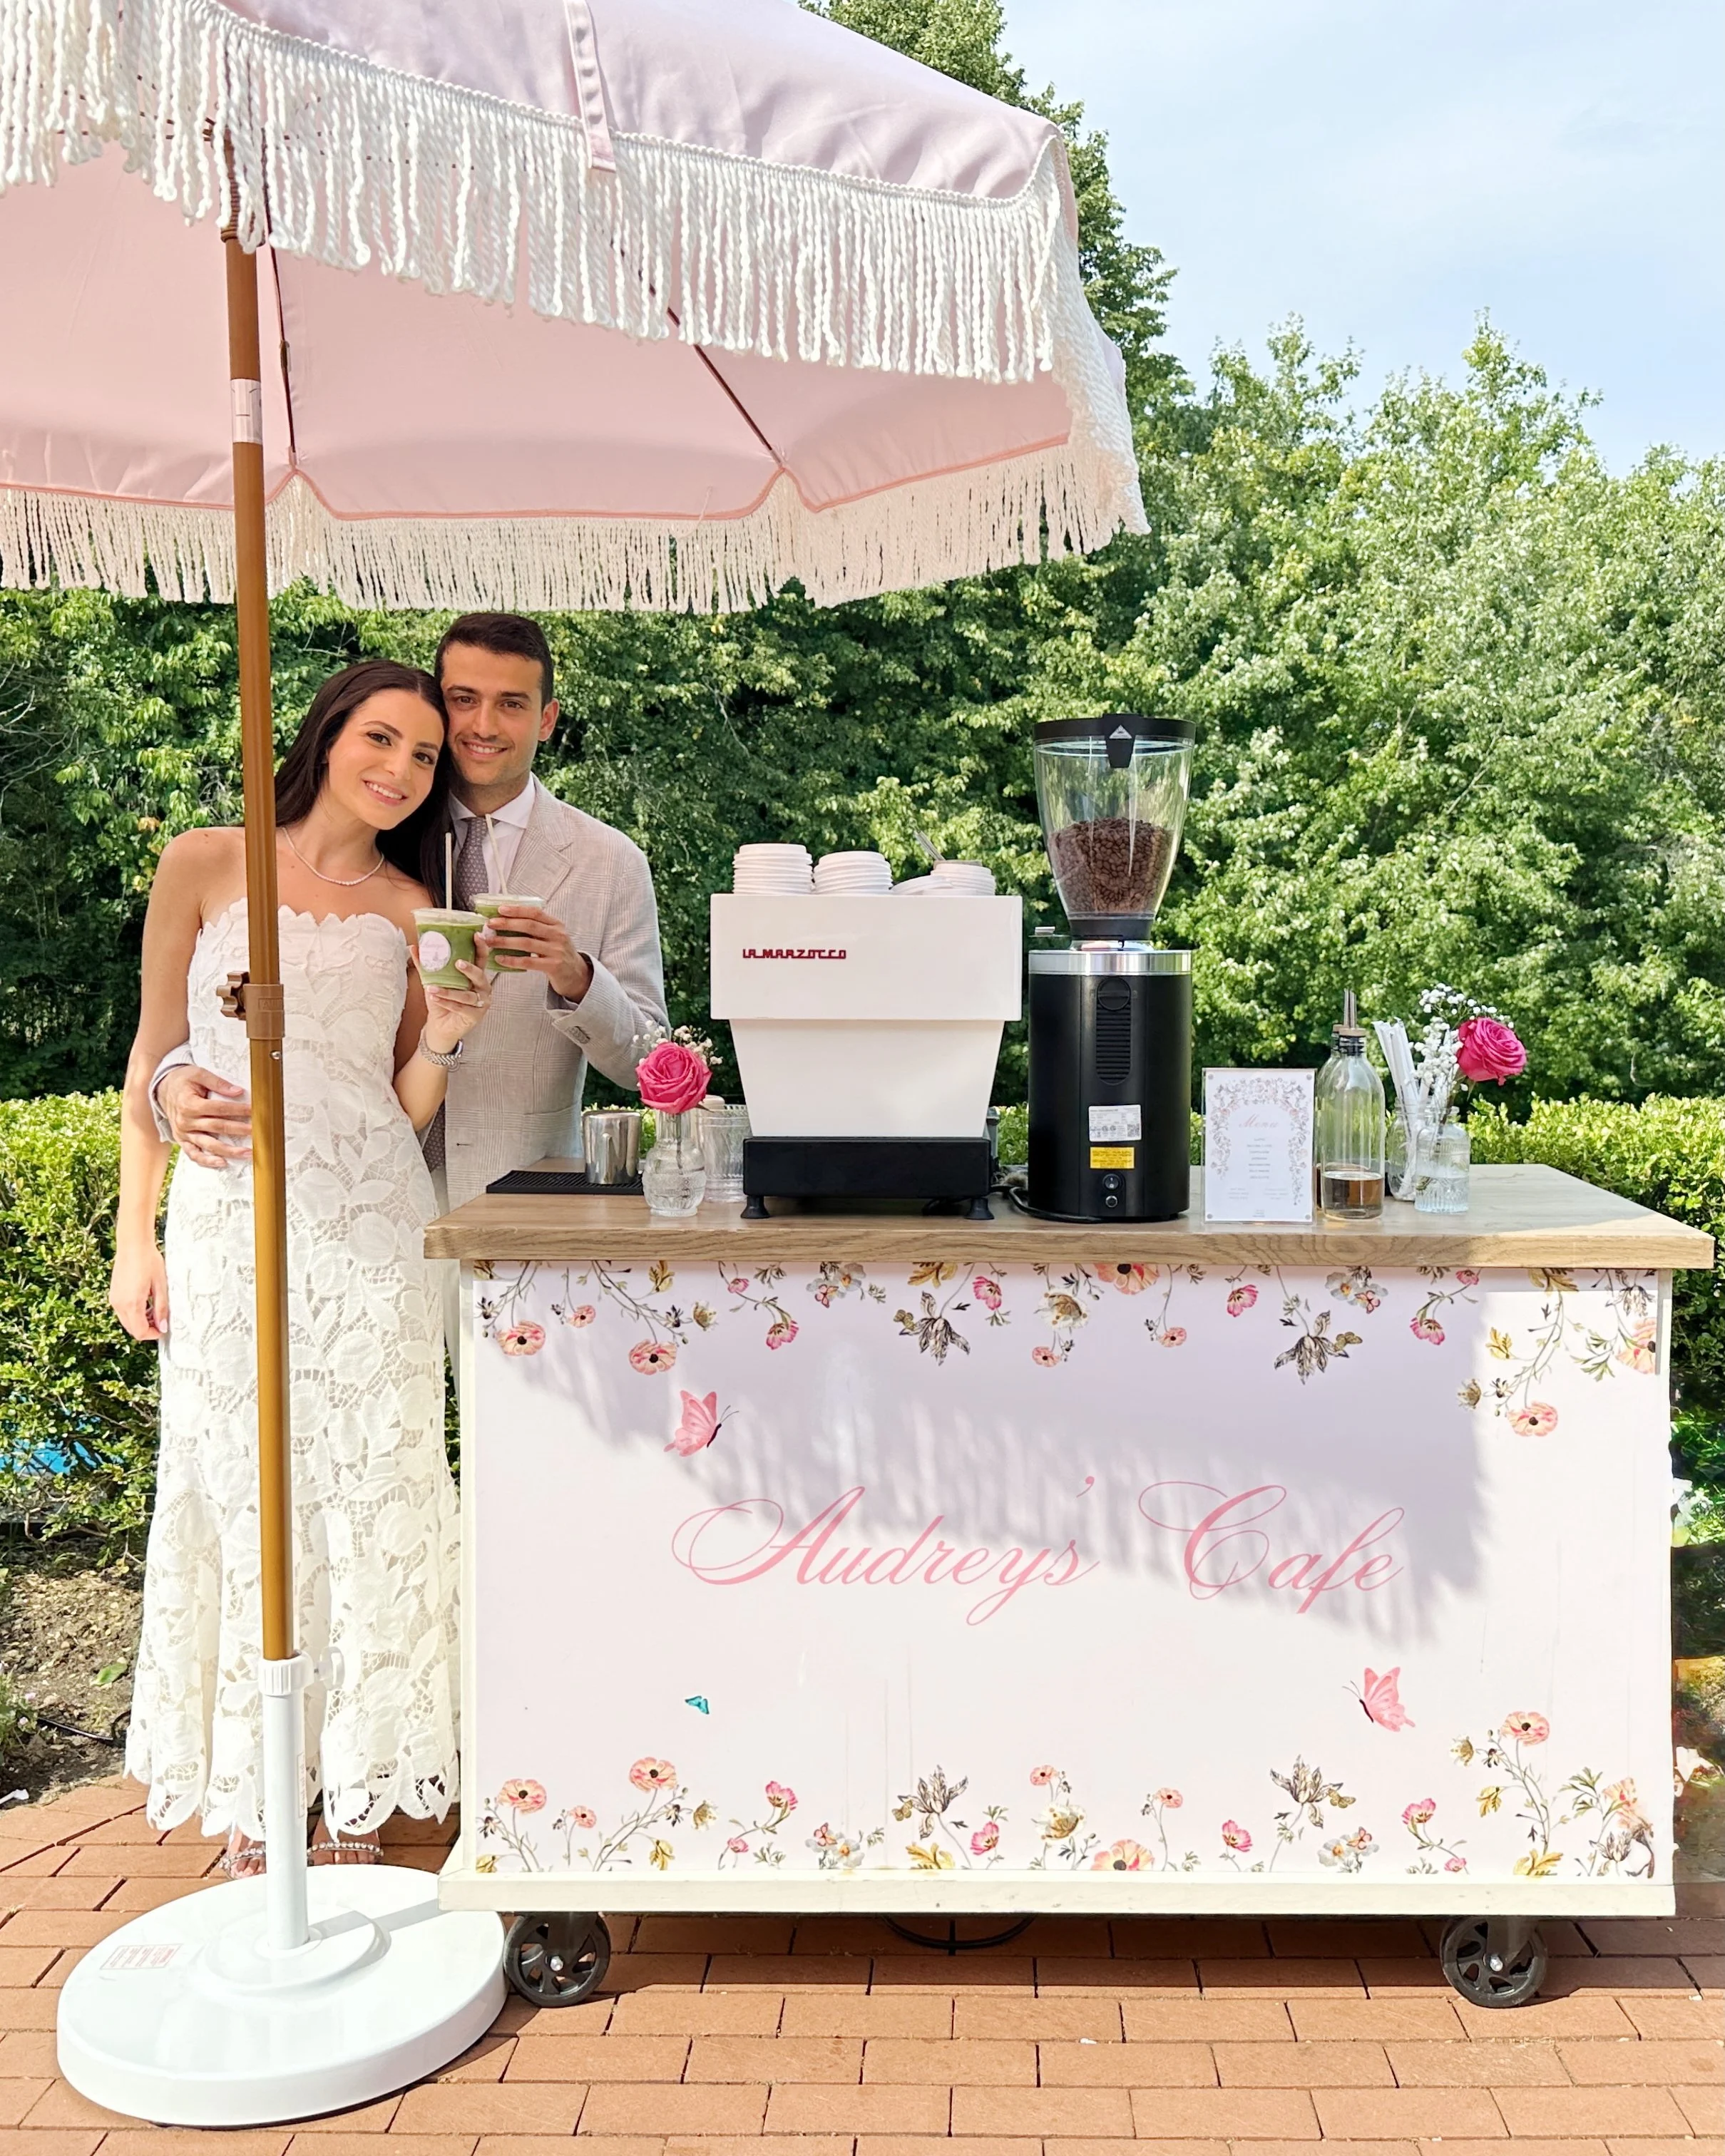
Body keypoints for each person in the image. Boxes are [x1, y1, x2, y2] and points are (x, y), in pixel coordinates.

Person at [109, 661, 492, 1874]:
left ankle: (360, 1790)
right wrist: (138, 1229)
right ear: (327, 735)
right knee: (241, 1482)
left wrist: (445, 1033)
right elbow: (149, 1056)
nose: (400, 767)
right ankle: (253, 1794)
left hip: (374, 1220)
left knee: (373, 1485)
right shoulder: (208, 861)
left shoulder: (407, 905)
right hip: (231, 1223)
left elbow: (399, 1101)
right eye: (381, 737)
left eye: (425, 755)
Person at [155, 613, 667, 1338]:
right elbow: (230, 1004)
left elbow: (652, 1065)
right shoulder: (375, 823)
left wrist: (577, 976)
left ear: (547, 719)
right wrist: (172, 1079)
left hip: (512, 1198)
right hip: (349, 1199)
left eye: (512, 704)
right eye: (463, 698)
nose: (482, 724)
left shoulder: (608, 863)